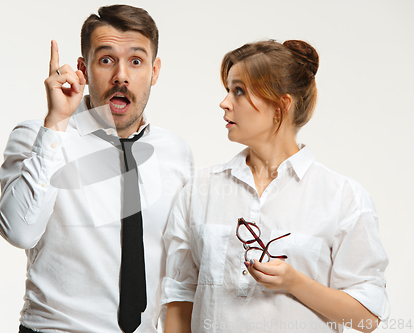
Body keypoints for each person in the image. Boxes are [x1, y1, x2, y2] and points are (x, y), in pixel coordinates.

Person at [161, 40, 389, 333]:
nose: (224, 102)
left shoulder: (343, 198)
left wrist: (295, 283)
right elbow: (180, 297)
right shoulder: (199, 190)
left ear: (281, 106)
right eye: (228, 89)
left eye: (239, 91)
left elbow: (366, 317)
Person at [0, 5, 193, 333]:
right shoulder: (40, 135)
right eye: (106, 60)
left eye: (136, 61)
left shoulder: (176, 152)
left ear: (155, 71)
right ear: (83, 70)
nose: (121, 76)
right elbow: (18, 231)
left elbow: (180, 266)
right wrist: (56, 125)